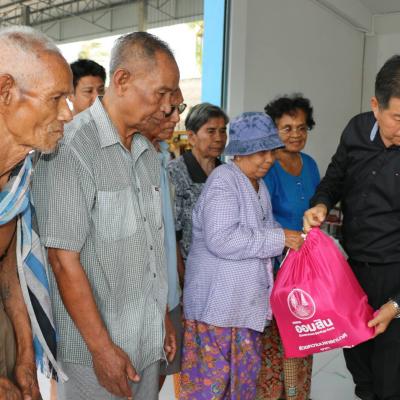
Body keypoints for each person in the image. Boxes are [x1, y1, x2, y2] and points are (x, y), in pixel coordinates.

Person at [32, 31, 180, 400]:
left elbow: (150, 244)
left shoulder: (147, 151)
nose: (167, 107)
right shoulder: (70, 149)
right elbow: (63, 261)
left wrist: (161, 316)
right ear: (123, 80)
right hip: (95, 354)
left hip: (147, 340)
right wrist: (102, 350)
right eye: (161, 93)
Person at [179, 112, 304, 399]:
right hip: (217, 310)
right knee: (210, 389)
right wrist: (280, 238)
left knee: (241, 388)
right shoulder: (224, 181)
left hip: (241, 307)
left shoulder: (257, 184)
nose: (269, 159)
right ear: (239, 153)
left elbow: (264, 227)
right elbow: (222, 239)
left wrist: (291, 238)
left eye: (272, 151)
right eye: (261, 153)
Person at [303, 54, 400, 400]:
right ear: (375, 106)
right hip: (351, 271)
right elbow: (334, 179)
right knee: (361, 370)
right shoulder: (356, 130)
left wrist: (396, 305)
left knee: (391, 381)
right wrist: (321, 204)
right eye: (398, 118)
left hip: (395, 273)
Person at [0, 26, 73, 399]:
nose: (67, 113)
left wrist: (26, 355)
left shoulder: (18, 175)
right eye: (56, 98)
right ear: (5, 91)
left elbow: (7, 266)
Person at [257, 95, 319, 400]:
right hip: (274, 268)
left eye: (302, 127)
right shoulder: (267, 166)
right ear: (274, 130)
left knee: (304, 335)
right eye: (287, 128)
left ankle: (297, 395)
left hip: (305, 267)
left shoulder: (310, 164)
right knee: (274, 342)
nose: (296, 134)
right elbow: (258, 218)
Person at [137, 88, 186, 390]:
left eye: (179, 108)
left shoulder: (163, 155)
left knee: (159, 376)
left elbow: (166, 227)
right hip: (145, 295)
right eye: (169, 110)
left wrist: (178, 270)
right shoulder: (132, 160)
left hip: (169, 289)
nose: (176, 117)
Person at [168, 103, 228, 266]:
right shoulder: (174, 173)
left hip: (222, 268)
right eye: (211, 131)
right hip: (189, 268)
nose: (219, 138)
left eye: (223, 131)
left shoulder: (227, 173)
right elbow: (171, 233)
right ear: (191, 136)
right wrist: (181, 276)